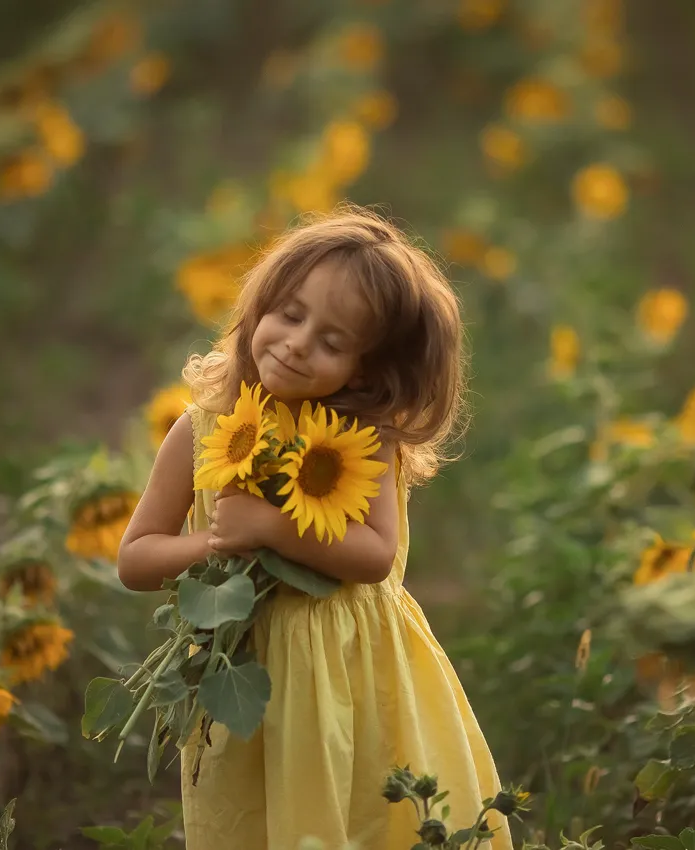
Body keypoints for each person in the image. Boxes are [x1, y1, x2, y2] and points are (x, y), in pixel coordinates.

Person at [116, 206, 511, 849]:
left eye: (333, 342)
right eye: (291, 315)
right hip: (244, 669)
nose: (298, 344)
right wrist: (219, 541)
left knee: (362, 817)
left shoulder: (361, 442)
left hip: (350, 673)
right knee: (255, 818)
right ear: (259, 306)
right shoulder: (202, 428)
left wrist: (270, 526)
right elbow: (136, 558)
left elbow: (375, 554)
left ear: (366, 370)